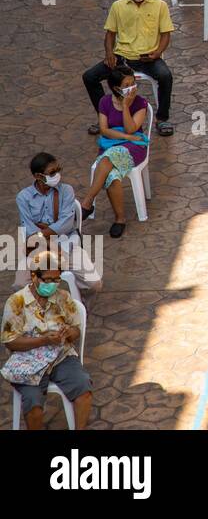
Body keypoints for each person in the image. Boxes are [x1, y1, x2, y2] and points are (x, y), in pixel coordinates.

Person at [3, 250, 93, 430]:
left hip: (61, 356)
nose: (52, 285)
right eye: (47, 280)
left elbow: (76, 330)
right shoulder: (16, 302)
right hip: (27, 361)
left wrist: (68, 333)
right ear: (34, 276)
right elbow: (11, 341)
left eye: (56, 279)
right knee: (34, 405)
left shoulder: (64, 298)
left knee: (84, 388)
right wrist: (43, 341)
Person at [81, 0, 174, 143]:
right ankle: (105, 115)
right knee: (90, 77)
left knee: (165, 76)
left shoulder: (160, 5)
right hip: (122, 57)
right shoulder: (118, 6)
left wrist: (157, 53)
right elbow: (110, 34)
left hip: (148, 58)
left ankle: (162, 119)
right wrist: (109, 53)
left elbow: (166, 34)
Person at [15, 156, 101, 296]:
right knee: (20, 285)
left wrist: (42, 234)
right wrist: (43, 239)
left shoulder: (66, 190)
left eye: (58, 170)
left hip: (67, 244)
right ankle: (41, 312)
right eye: (52, 172)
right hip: (38, 247)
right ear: (38, 176)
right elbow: (29, 229)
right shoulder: (23, 198)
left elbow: (66, 224)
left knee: (94, 284)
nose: (57, 175)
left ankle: (80, 310)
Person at [84, 66, 149, 238]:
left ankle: (87, 202)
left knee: (107, 159)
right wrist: (126, 136)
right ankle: (120, 219)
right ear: (116, 88)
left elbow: (132, 127)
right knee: (111, 174)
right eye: (127, 85)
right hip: (112, 144)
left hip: (134, 148)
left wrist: (126, 106)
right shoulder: (105, 102)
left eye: (133, 83)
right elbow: (104, 130)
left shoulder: (140, 102)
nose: (132, 87)